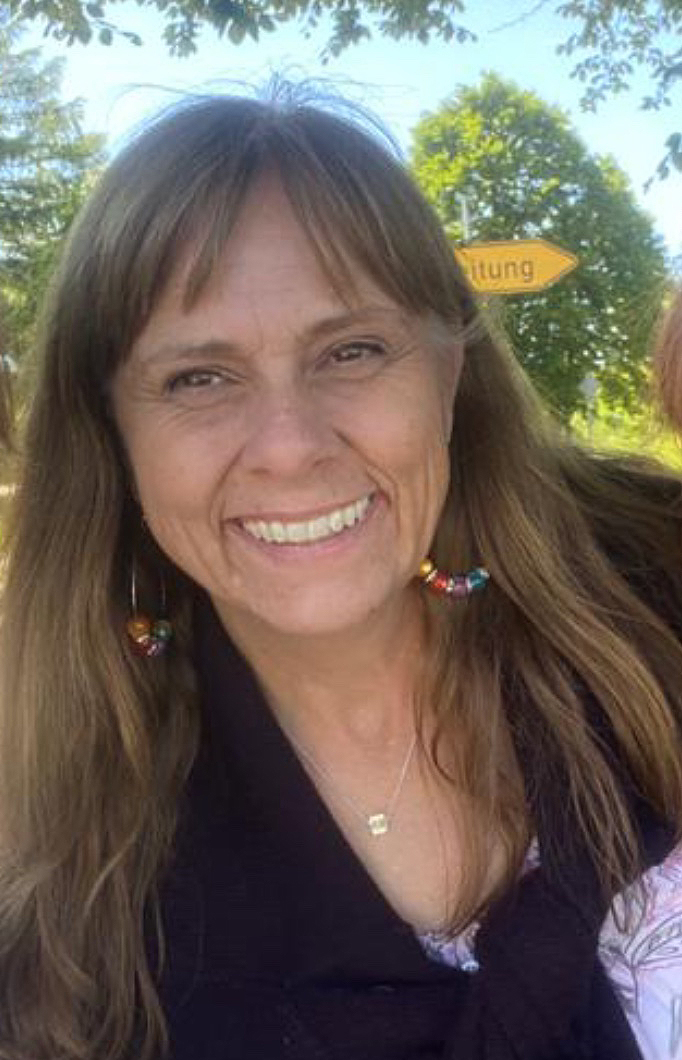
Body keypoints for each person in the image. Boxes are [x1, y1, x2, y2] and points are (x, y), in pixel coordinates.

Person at [1, 87, 682, 1060]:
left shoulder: (655, 576)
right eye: (199, 377)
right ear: (111, 431)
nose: (289, 447)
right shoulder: (53, 831)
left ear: (449, 370)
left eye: (352, 350)